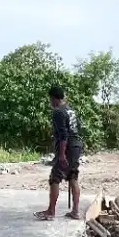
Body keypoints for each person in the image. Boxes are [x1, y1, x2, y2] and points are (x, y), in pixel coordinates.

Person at [34, 84, 82, 221]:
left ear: (54, 98)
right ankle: (75, 211)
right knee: (73, 176)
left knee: (55, 177)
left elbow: (63, 135)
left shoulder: (58, 112)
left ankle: (51, 211)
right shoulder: (70, 110)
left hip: (67, 147)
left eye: (50, 99)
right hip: (77, 145)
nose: (50, 102)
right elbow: (77, 129)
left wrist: (61, 155)